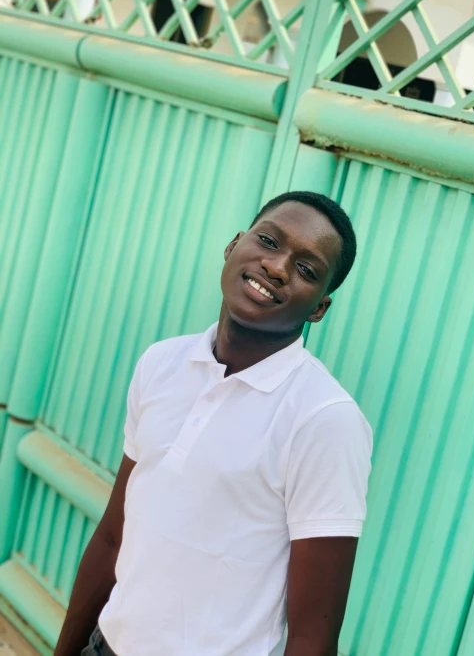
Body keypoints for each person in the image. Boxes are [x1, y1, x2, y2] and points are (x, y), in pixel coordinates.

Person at [54, 191, 373, 656]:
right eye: (268, 241)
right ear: (233, 245)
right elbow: (111, 536)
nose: (278, 267)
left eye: (306, 270)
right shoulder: (161, 363)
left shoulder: (325, 420)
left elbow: (312, 635)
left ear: (319, 309)